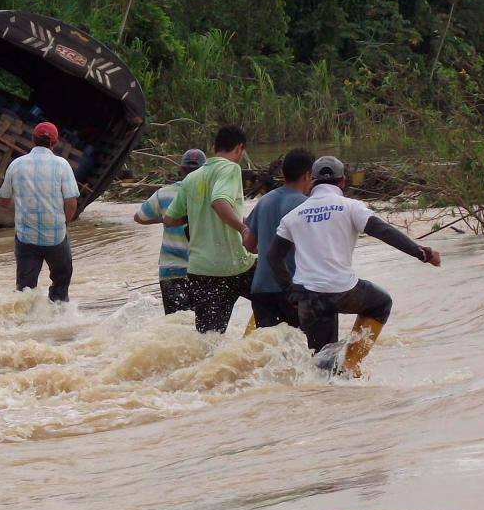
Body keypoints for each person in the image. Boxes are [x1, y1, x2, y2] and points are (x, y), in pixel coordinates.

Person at [268, 156, 442, 377]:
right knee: (380, 303)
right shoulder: (351, 207)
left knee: (322, 367)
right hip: (343, 291)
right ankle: (350, 364)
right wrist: (422, 253)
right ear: (342, 182)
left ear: (312, 181)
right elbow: (385, 232)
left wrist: (291, 291)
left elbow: (273, 257)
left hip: (308, 297)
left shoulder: (293, 216)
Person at [162, 125, 256, 333]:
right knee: (278, 300)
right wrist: (243, 229)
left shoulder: (191, 178)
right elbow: (219, 202)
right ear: (240, 148)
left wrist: (198, 217)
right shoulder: (230, 168)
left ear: (214, 147)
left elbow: (169, 219)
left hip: (201, 270)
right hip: (235, 265)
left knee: (209, 339)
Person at [0, 122, 80, 302]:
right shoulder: (62, 165)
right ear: (55, 143)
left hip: (26, 235)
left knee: (25, 290)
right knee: (61, 280)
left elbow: (3, 199)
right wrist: (64, 223)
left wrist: (20, 206)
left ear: (33, 140)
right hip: (56, 235)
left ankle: (26, 323)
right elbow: (71, 203)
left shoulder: (16, 165)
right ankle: (58, 316)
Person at [242, 148, 315, 329]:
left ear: (283, 173)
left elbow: (250, 245)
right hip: (291, 289)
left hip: (261, 289)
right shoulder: (307, 205)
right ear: (307, 175)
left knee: (270, 349)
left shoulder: (264, 201)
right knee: (301, 350)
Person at [133, 148, 207, 314]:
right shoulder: (212, 196)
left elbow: (139, 217)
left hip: (171, 271)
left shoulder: (164, 194)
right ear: (205, 172)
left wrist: (165, 218)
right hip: (203, 270)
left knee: (176, 325)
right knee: (203, 328)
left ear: (180, 170)